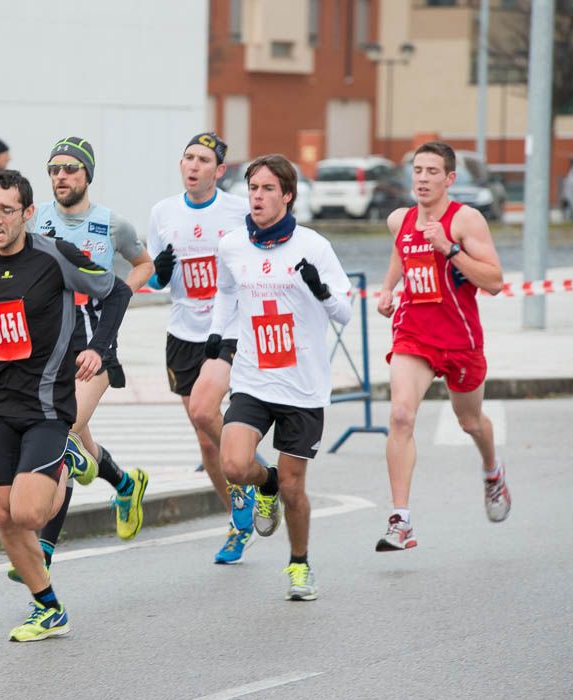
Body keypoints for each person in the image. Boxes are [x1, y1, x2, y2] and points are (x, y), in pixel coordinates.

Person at [0, 169, 132, 642]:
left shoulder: (55, 257)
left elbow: (115, 289)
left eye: (6, 210)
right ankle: (48, 607)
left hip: (48, 406)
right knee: (3, 515)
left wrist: (102, 348)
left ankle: (69, 461)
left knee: (29, 514)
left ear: (27, 214)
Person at [211, 154, 351, 601]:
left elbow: (344, 313)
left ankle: (299, 563)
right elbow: (226, 292)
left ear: (287, 196)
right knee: (233, 463)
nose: (257, 196)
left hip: (303, 385)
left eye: (268, 189)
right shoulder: (233, 245)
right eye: (253, 188)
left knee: (295, 488)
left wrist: (322, 291)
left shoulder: (314, 246)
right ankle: (262, 482)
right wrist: (218, 336)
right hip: (253, 377)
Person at [24, 136, 153, 575]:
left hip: (95, 345)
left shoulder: (112, 224)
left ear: (87, 176)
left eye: (70, 169)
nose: (61, 177)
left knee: (62, 428)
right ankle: (124, 482)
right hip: (48, 347)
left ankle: (43, 550)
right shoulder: (35, 218)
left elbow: (144, 263)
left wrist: (119, 294)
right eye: (54, 169)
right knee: (76, 441)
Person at [375, 140, 508, 552]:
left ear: (450, 179)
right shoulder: (400, 219)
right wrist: (387, 288)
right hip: (414, 334)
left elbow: (494, 281)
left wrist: (449, 250)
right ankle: (401, 521)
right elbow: (402, 250)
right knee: (400, 415)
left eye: (432, 172)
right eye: (418, 171)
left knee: (470, 422)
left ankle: (492, 470)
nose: (423, 179)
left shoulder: (466, 221)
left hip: (460, 339)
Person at [146, 132, 257, 565]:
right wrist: (158, 272)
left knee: (203, 412)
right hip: (183, 333)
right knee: (206, 444)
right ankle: (238, 520)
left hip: (228, 329)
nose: (193, 166)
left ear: (219, 171)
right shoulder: (163, 212)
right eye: (188, 158)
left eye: (203, 160)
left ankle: (253, 467)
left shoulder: (237, 210)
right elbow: (155, 280)